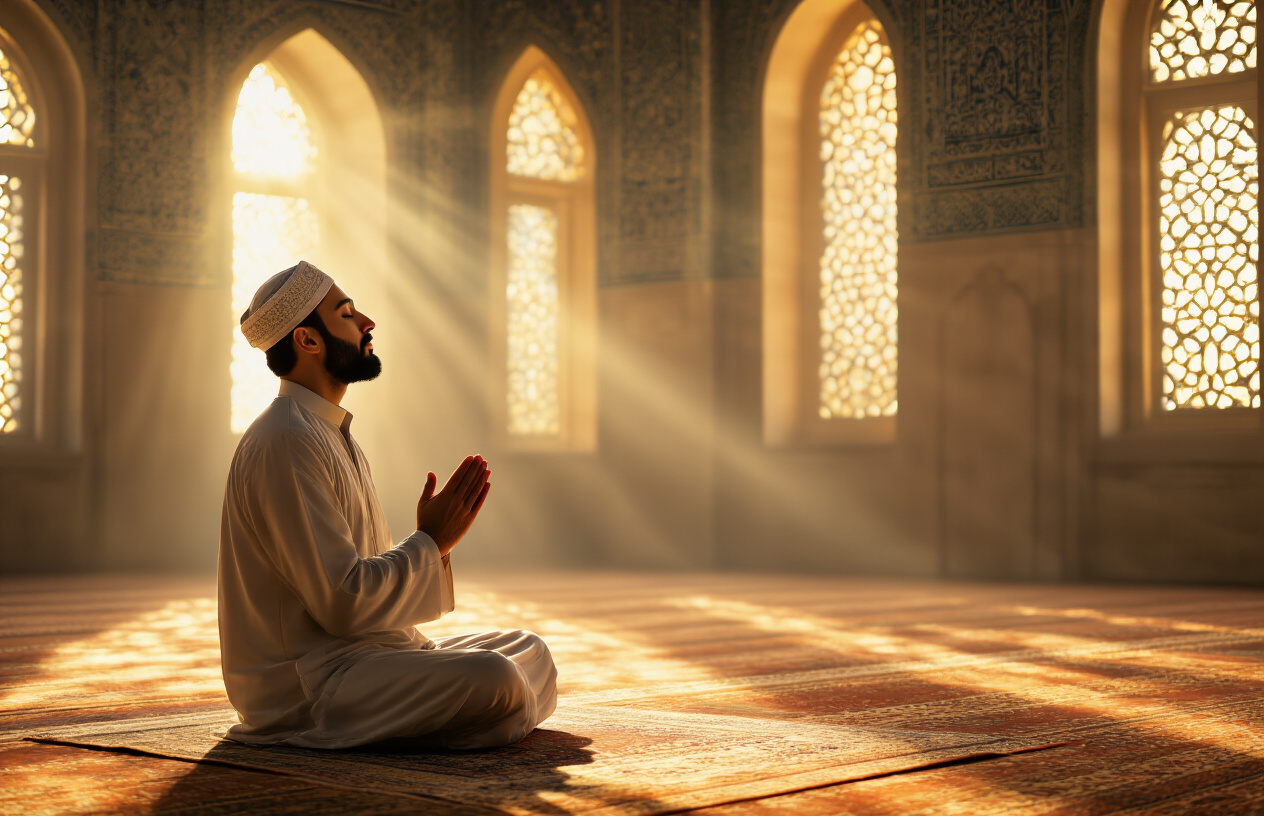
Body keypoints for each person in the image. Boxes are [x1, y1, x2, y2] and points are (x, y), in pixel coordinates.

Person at [218, 260, 556, 750]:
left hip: (374, 658)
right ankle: (454, 722)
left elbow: (360, 584)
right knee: (496, 677)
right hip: (312, 685)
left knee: (531, 651)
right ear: (308, 341)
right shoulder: (285, 439)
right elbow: (341, 601)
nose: (367, 323)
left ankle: (456, 721)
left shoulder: (328, 431)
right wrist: (430, 541)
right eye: (348, 313)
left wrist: (434, 548)